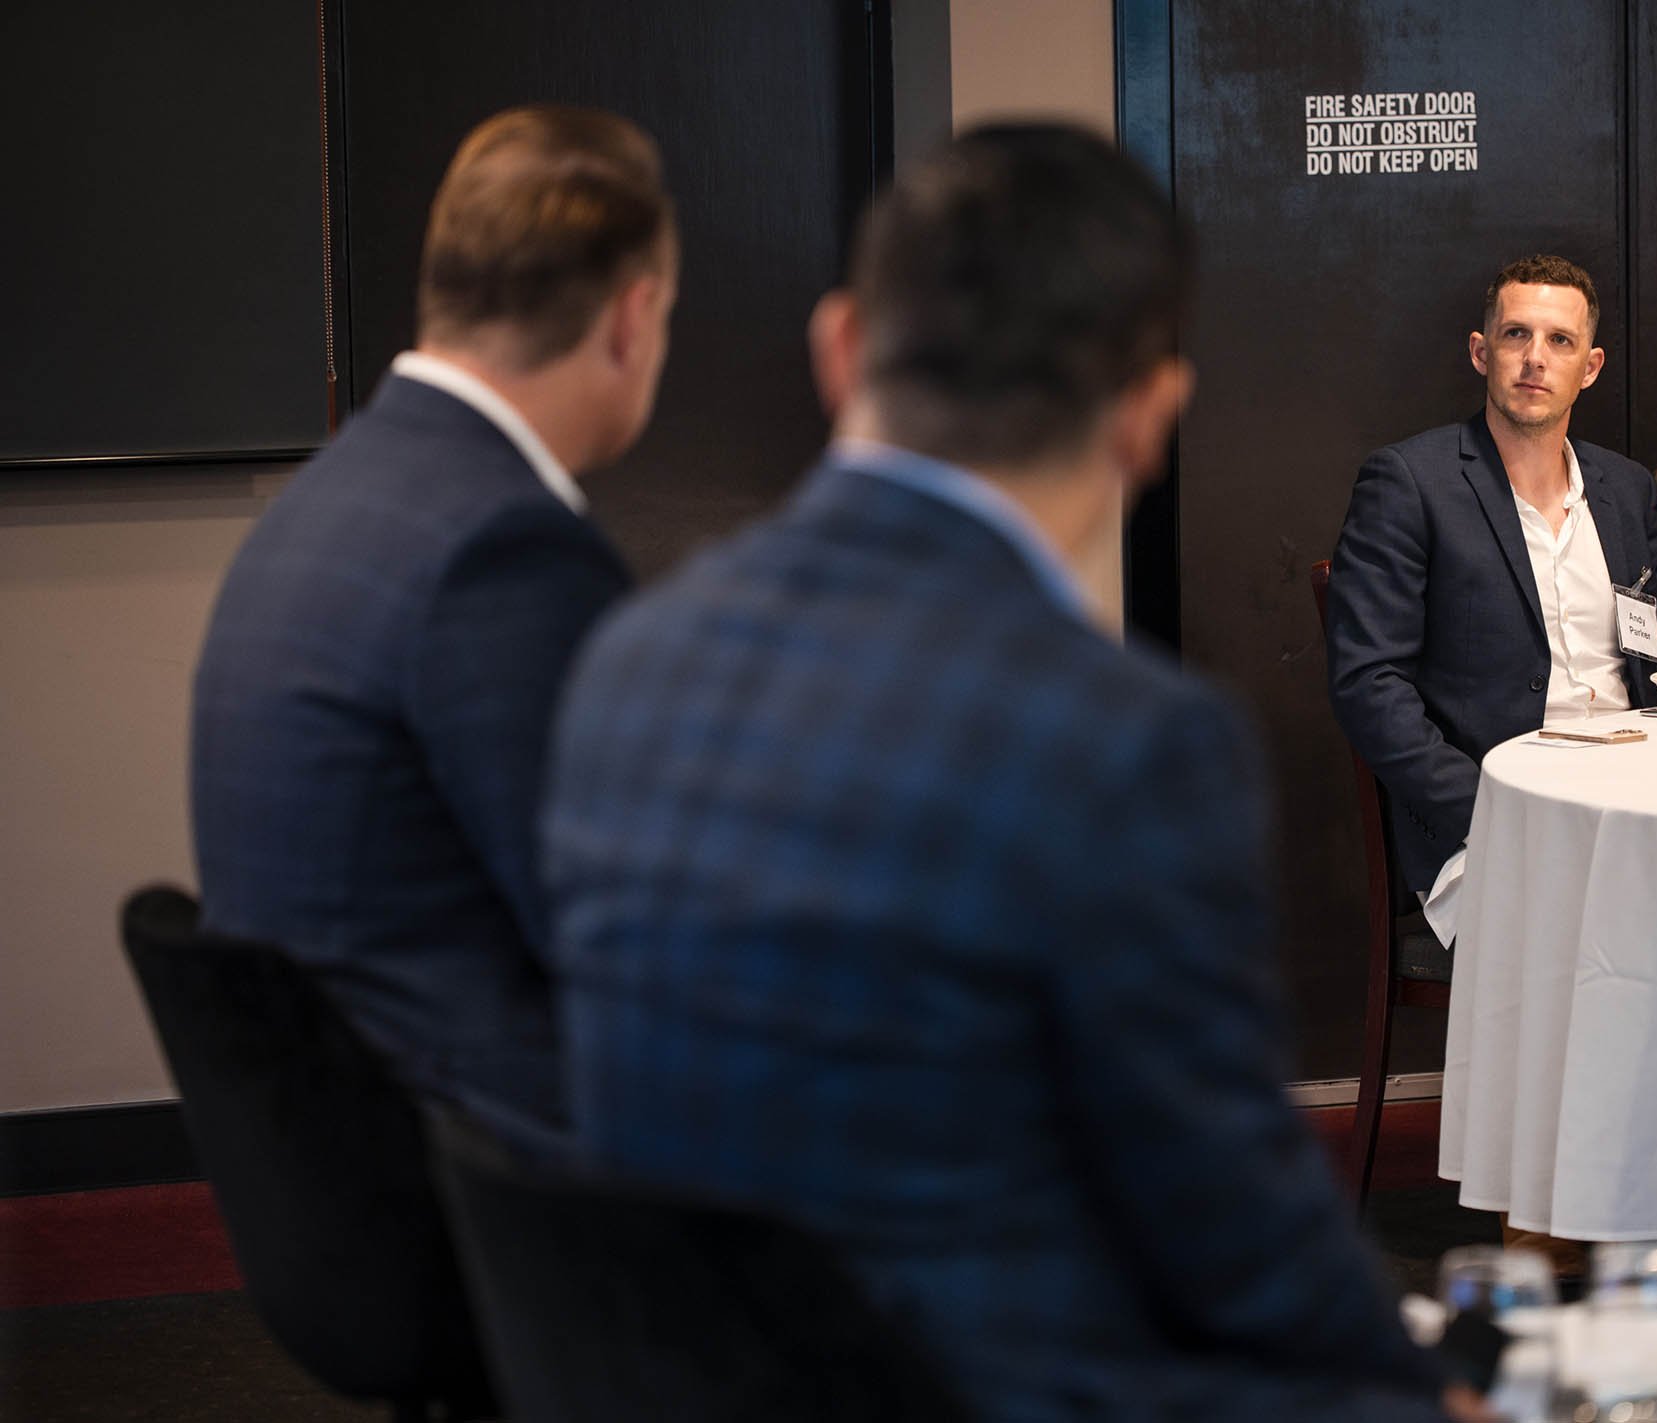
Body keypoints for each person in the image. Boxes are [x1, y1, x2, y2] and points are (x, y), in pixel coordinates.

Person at [545, 125, 1477, 1422]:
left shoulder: (626, 656)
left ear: (836, 346)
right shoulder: (1126, 735)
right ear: (1152, 411)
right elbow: (1230, 1221)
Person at [190, 106, 677, 1133]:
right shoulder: (501, 546)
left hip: (343, 1150)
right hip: (489, 1186)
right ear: (631, 320)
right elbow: (610, 932)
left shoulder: (327, 501)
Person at [1326, 255, 1657, 946]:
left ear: (1591, 366)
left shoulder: (1627, 489)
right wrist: (1494, 805)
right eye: (1517, 334)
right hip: (1491, 816)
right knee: (1621, 932)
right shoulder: (1410, 482)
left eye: (1560, 341)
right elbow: (1367, 683)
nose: (1534, 359)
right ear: (1481, 351)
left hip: (1639, 794)